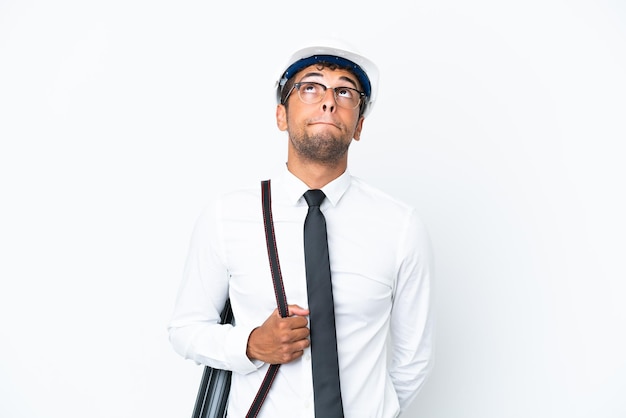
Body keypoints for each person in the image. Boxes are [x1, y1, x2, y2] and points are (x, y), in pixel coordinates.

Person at [168, 40, 435, 417]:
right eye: (310, 87)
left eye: (345, 91)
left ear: (358, 125)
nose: (329, 101)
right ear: (281, 115)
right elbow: (185, 329)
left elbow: (413, 360)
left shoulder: (401, 226)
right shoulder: (226, 216)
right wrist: (250, 344)